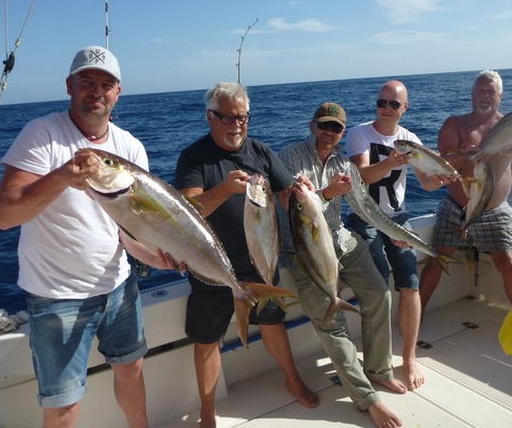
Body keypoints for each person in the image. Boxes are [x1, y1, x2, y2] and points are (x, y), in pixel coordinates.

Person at [0, 46, 151, 428]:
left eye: (106, 84)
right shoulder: (42, 134)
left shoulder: (130, 146)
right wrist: (63, 177)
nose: (96, 91)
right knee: (64, 406)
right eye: (87, 81)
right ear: (69, 86)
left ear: (118, 92)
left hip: (118, 286)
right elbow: (4, 215)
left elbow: (132, 227)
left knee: (132, 371)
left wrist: (157, 255)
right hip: (57, 296)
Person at [174, 82, 319, 428]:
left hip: (260, 264)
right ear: (211, 117)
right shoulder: (195, 157)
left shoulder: (261, 152)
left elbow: (287, 196)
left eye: (243, 118)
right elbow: (186, 211)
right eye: (228, 117)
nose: (237, 125)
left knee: (272, 322)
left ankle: (292, 379)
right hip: (210, 268)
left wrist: (305, 193)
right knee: (207, 340)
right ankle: (207, 412)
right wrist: (224, 190)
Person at [278, 102, 406, 428]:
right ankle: (367, 399)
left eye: (335, 128)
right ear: (312, 125)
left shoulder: (345, 164)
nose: (328, 133)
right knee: (330, 321)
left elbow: (363, 206)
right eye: (323, 125)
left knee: (380, 294)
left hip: (342, 241)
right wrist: (328, 191)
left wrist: (395, 234)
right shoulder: (291, 156)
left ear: (342, 133)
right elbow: (296, 204)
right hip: (305, 250)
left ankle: (378, 370)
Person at [418, 69, 512, 367]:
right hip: (456, 205)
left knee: (508, 265)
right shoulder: (455, 124)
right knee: (438, 259)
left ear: (500, 96)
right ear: (471, 94)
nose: (484, 95)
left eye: (490, 92)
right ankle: (415, 318)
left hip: (495, 209)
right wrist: (463, 156)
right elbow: (442, 165)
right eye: (480, 90)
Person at [345, 80, 442, 391]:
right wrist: (389, 162)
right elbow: (361, 176)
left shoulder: (410, 139)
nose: (386, 109)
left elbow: (428, 184)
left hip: (398, 218)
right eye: (381, 103)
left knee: (410, 285)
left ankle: (409, 357)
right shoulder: (360, 133)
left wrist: (445, 177)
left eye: (393, 104)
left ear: (405, 109)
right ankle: (379, 360)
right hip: (365, 216)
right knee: (379, 287)